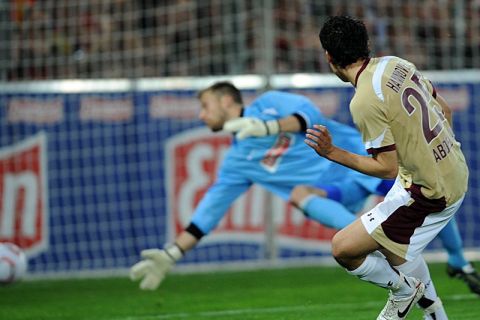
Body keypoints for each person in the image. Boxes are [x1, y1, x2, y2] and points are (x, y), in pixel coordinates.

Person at [129, 82, 473, 318]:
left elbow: (308, 117)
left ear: (225, 101)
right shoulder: (237, 163)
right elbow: (208, 213)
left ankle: (457, 263)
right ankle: (372, 248)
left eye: (204, 106)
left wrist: (266, 128)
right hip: (336, 192)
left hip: (362, 162)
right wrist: (171, 254)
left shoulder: (269, 103)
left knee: (431, 201)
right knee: (301, 195)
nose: (201, 115)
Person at [305, 15, 470, 319]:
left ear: (328, 57)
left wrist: (332, 152)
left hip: (428, 190)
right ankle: (433, 312)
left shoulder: (364, 100)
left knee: (344, 248)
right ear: (366, 44)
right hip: (453, 168)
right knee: (397, 251)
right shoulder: (397, 64)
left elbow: (386, 168)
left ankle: (404, 292)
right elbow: (444, 109)